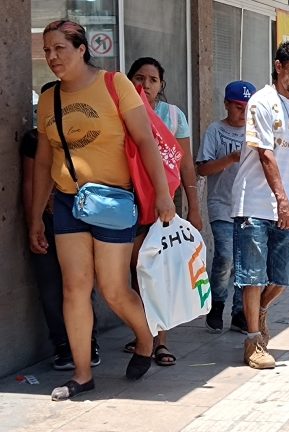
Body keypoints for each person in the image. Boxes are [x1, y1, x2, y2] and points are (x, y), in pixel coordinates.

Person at [31, 20, 175, 401]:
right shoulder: (49, 99)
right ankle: (82, 374)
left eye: (60, 48)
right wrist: (34, 218)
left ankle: (145, 339)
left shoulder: (115, 85)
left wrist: (164, 197)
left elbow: (145, 140)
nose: (52, 57)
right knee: (75, 287)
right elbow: (44, 159)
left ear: (81, 49)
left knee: (113, 289)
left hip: (113, 202)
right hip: (67, 202)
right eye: (47, 50)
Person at [232, 40, 289, 369]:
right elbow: (266, 154)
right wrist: (281, 200)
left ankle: (261, 312)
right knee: (252, 276)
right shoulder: (262, 102)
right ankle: (253, 342)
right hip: (255, 203)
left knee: (282, 277)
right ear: (278, 66)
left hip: (287, 203)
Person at [125, 56, 203, 366]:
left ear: (161, 85)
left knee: (161, 274)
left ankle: (161, 341)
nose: (145, 84)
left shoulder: (173, 116)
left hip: (162, 207)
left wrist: (193, 206)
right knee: (137, 274)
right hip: (129, 204)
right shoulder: (122, 112)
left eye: (152, 80)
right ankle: (142, 334)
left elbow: (184, 163)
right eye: (139, 78)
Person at [21, 113, 101, 371]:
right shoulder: (34, 140)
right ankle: (63, 346)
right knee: (50, 287)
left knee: (80, 283)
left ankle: (88, 342)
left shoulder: (82, 139)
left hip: (80, 220)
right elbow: (30, 183)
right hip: (47, 221)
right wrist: (35, 221)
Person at [196, 80, 257, 335]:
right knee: (226, 256)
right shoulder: (215, 130)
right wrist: (230, 159)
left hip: (249, 205)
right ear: (226, 105)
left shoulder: (255, 132)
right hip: (221, 204)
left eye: (247, 108)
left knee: (245, 261)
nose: (242, 113)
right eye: (237, 107)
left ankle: (239, 313)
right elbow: (202, 168)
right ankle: (217, 303)